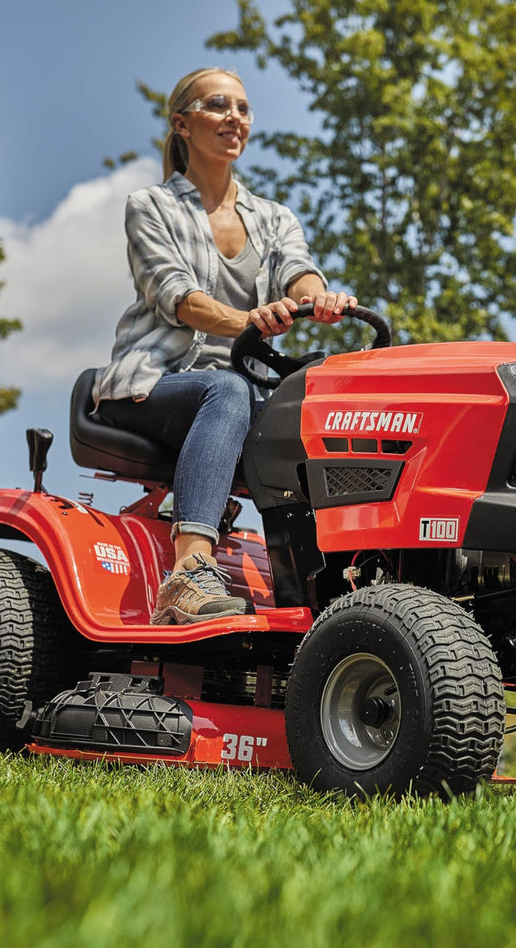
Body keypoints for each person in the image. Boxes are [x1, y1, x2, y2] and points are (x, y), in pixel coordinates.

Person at [92, 67, 355, 624]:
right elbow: (178, 298)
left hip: (243, 390)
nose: (235, 118)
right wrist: (249, 321)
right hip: (154, 383)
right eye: (219, 105)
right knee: (229, 388)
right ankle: (188, 575)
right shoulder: (151, 206)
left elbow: (300, 273)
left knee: (329, 405)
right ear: (182, 123)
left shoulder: (273, 217)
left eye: (243, 108)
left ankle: (332, 586)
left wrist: (320, 300)